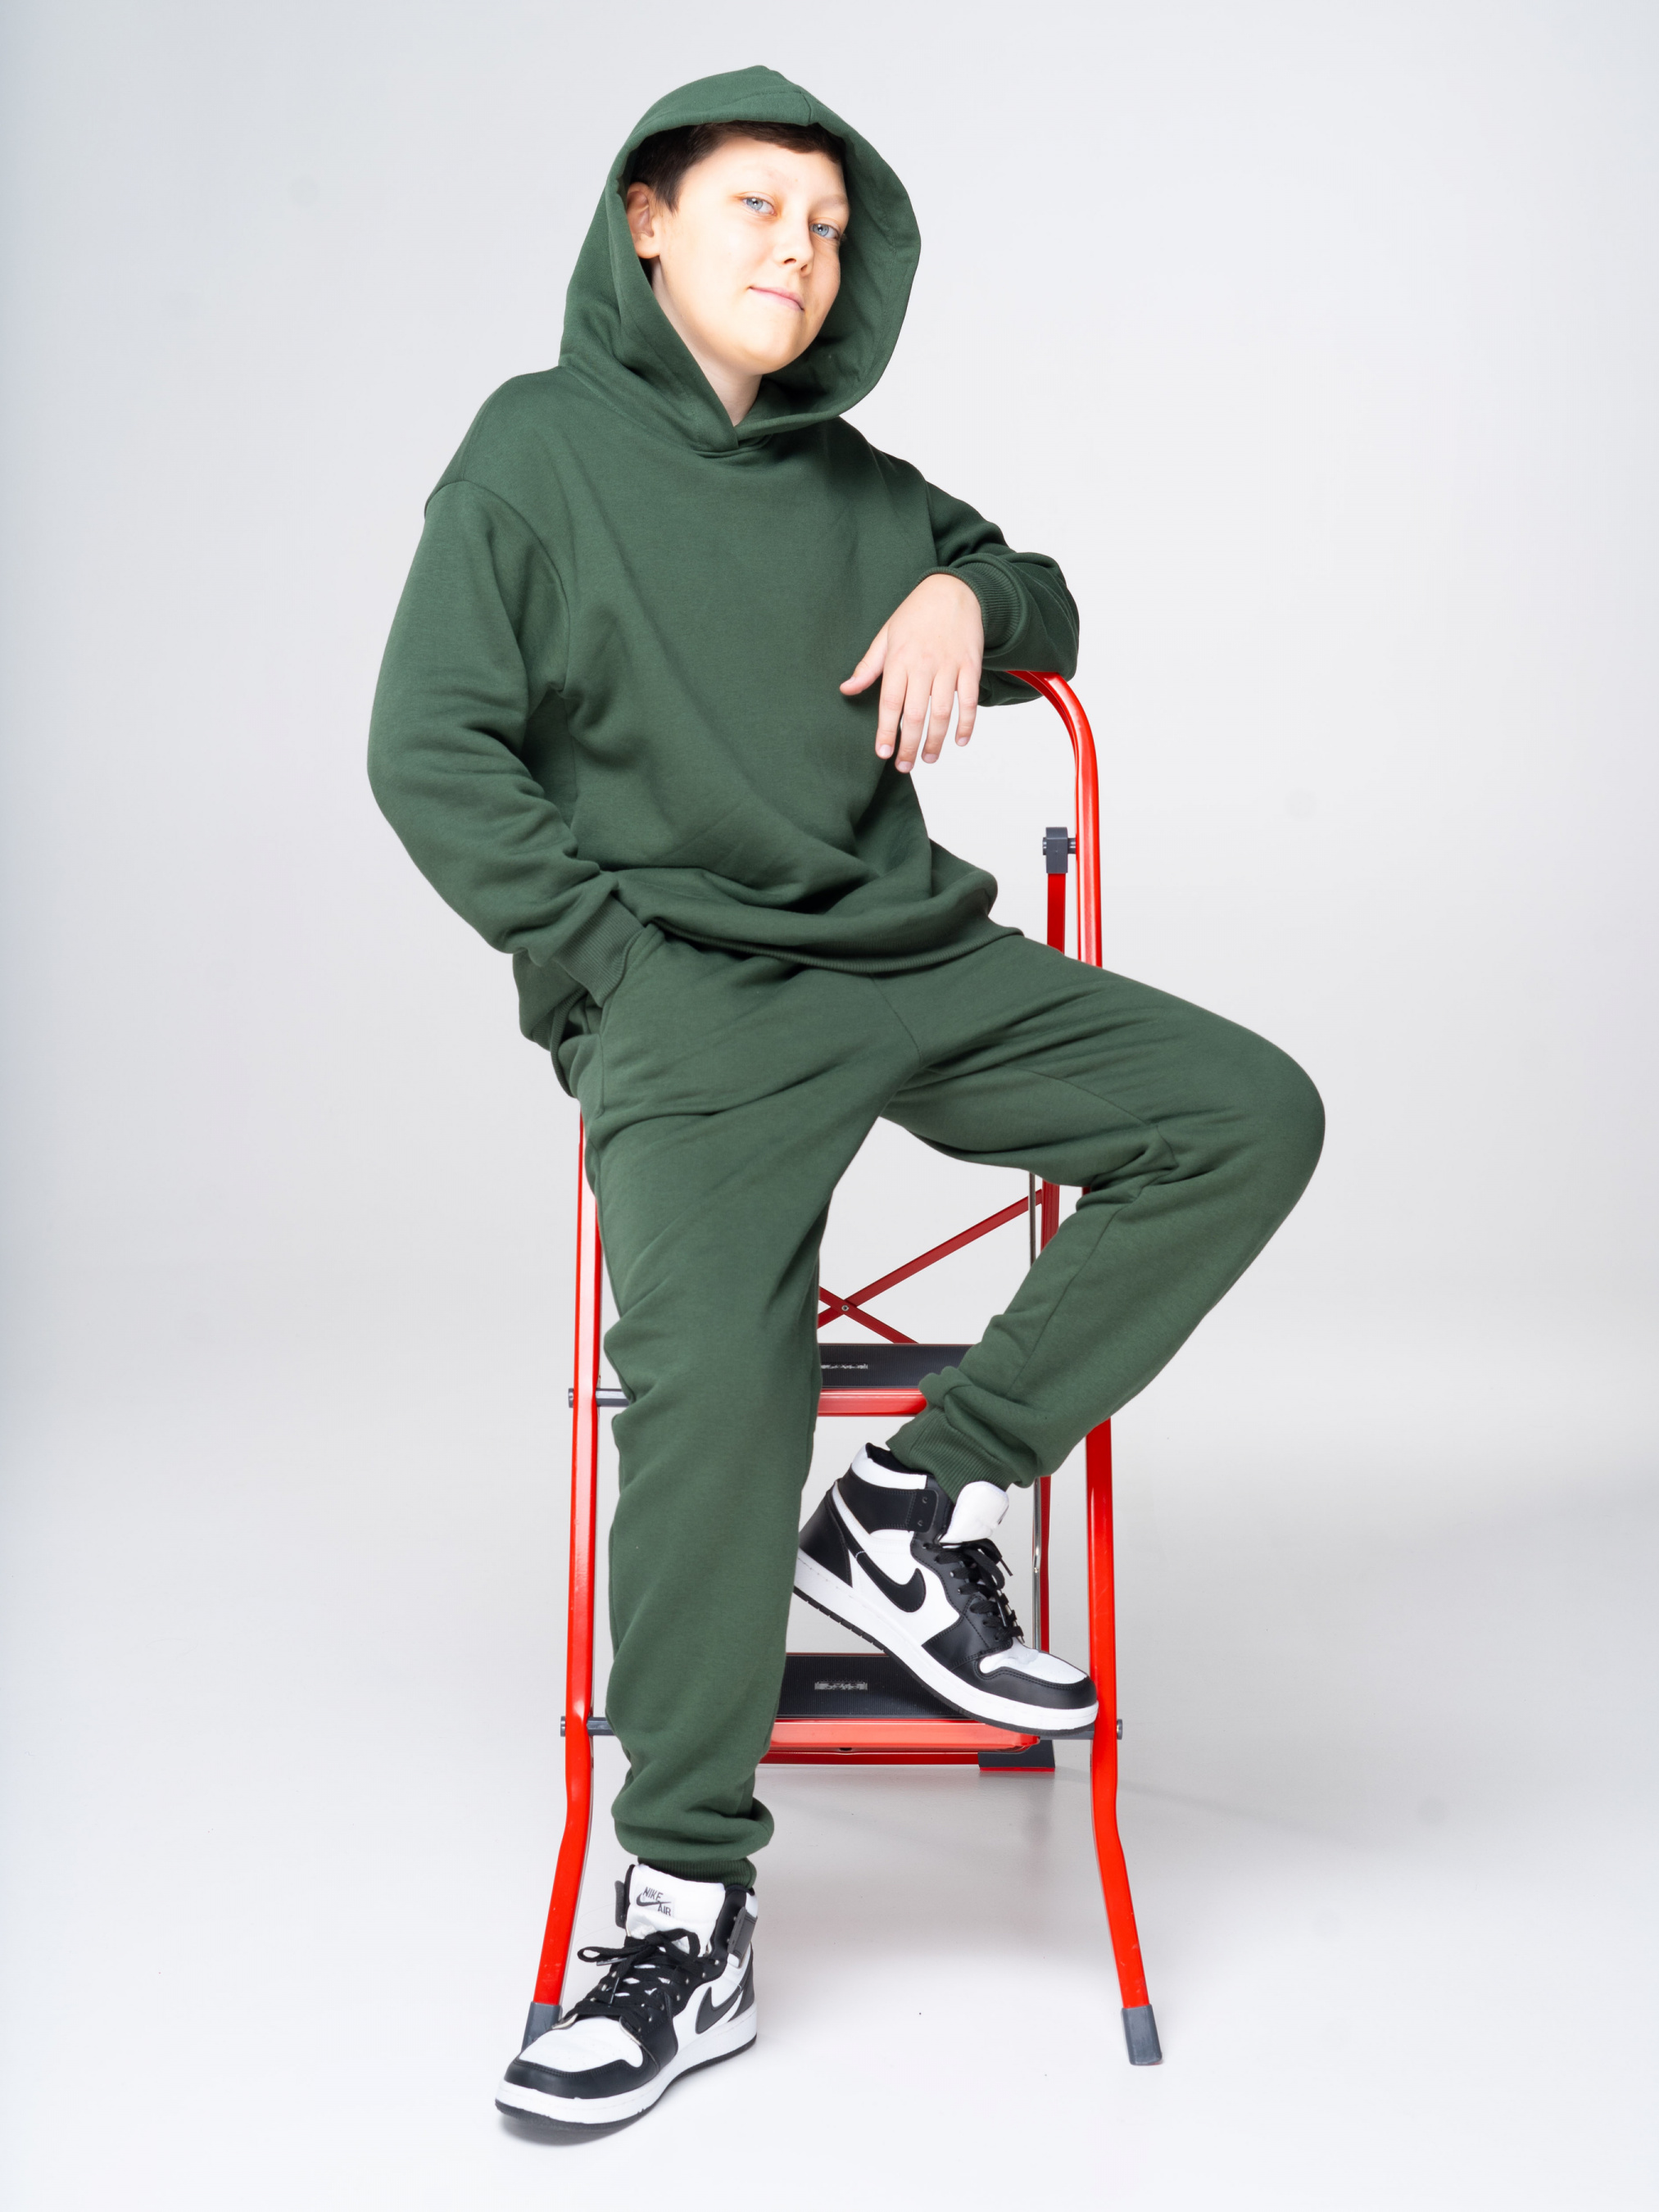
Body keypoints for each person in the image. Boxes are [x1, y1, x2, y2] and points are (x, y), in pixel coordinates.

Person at [368, 64, 1322, 2135]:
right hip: (688, 997)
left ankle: (910, 1503)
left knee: (1245, 1114)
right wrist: (612, 965)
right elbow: (428, 745)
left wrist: (971, 596)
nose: (793, 252)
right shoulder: (533, 453)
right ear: (644, 219)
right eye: (752, 209)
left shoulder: (865, 488)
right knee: (719, 1376)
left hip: (911, 962)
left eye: (821, 225)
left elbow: (1043, 592)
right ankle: (681, 1906)